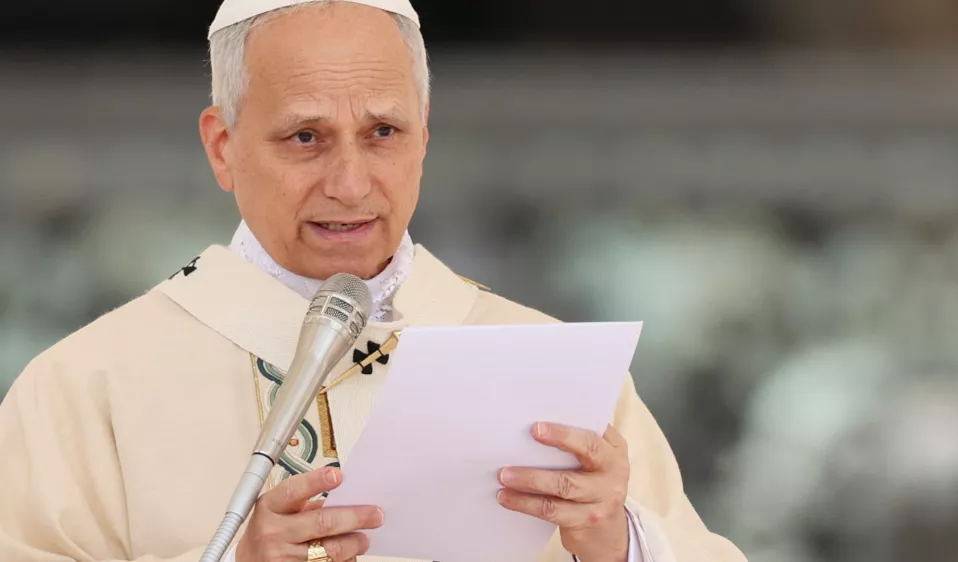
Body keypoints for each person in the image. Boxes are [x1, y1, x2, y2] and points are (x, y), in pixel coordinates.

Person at [0, 1, 746, 561]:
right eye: (306, 138)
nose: (351, 184)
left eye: (382, 132)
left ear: (424, 134)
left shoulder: (553, 369)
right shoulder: (86, 386)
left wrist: (614, 542)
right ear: (223, 147)